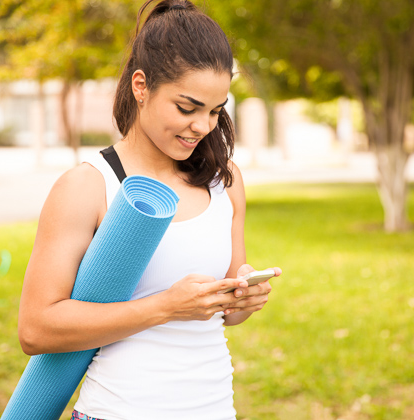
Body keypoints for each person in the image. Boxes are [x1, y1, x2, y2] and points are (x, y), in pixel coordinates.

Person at [17, 1, 281, 419]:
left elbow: (225, 314)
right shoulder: (88, 186)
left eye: (215, 111)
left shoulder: (224, 180)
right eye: (187, 107)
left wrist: (242, 300)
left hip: (213, 409)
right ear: (141, 86)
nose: (204, 126)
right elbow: (36, 329)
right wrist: (166, 307)